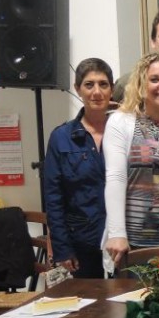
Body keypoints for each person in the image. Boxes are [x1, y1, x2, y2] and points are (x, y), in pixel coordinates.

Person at [103, 53, 159, 266]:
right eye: (155, 79)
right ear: (141, 85)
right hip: (136, 244)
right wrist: (117, 233)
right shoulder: (122, 122)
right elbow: (115, 177)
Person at [43, 58, 113, 279]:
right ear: (78, 89)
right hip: (81, 241)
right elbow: (53, 197)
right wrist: (62, 248)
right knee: (87, 299)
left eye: (103, 84)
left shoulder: (124, 131)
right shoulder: (61, 137)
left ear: (111, 89)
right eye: (89, 84)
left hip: (121, 240)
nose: (97, 92)